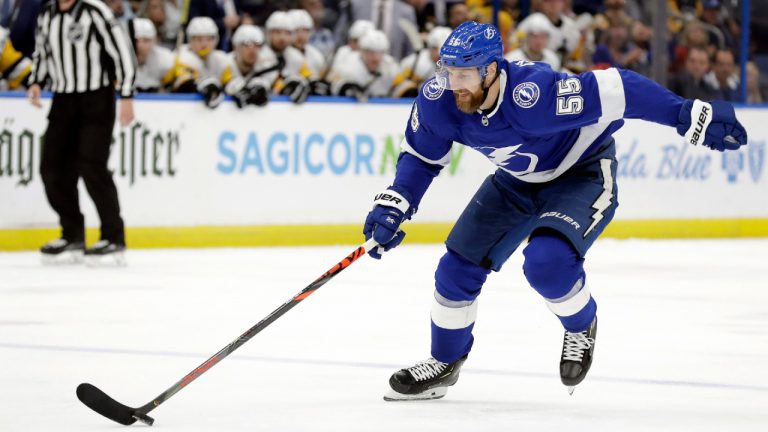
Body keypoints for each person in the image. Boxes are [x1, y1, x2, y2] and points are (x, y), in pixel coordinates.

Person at [362, 21, 747, 401]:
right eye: (448, 72)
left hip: (581, 172)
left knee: (547, 263)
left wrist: (686, 114)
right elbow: (421, 158)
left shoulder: (534, 95)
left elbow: (621, 88)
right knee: (455, 268)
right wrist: (396, 202)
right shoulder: (439, 99)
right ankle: (444, 363)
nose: (454, 84)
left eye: (465, 74)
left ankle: (581, 327)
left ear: (492, 70)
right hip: (516, 181)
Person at [28, 0, 136, 264]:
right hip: (63, 99)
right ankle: (73, 233)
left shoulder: (95, 10)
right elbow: (42, 52)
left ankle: (113, 236)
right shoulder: (47, 14)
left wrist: (127, 95)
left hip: (96, 97)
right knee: (51, 169)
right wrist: (36, 81)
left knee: (91, 164)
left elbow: (123, 52)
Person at [130, 17, 174, 93]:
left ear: (154, 41)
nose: (140, 45)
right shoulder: (118, 59)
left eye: (145, 40)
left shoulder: (165, 59)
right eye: (136, 40)